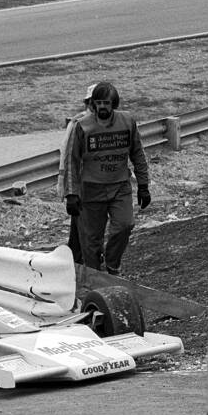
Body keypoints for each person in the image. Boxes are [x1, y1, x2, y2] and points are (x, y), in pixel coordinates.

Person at [63, 82, 151, 276]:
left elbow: (138, 154)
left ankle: (112, 265)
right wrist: (71, 194)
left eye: (107, 103)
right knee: (90, 241)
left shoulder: (127, 122)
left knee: (125, 225)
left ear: (114, 104)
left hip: (120, 187)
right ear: (93, 104)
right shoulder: (82, 126)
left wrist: (143, 185)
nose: (103, 107)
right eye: (99, 103)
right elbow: (71, 162)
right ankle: (96, 278)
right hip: (91, 191)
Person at [57, 83, 96, 264]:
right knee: (83, 230)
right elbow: (68, 158)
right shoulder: (78, 125)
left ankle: (76, 263)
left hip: (100, 186)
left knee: (84, 231)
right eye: (93, 103)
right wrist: (70, 192)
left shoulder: (112, 123)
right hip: (82, 187)